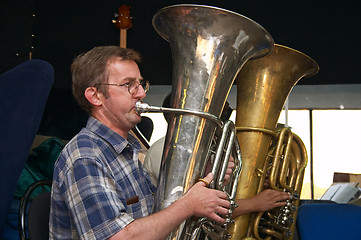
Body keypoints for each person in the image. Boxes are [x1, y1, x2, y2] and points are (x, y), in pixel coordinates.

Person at [49, 46, 232, 240]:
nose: (141, 94)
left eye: (141, 84)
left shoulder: (126, 149)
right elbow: (117, 237)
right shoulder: (85, 155)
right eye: (128, 85)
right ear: (95, 96)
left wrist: (203, 179)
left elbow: (157, 216)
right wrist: (188, 205)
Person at [143, 94, 291, 218]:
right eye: (218, 110)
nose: (225, 116)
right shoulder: (164, 149)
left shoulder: (212, 149)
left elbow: (220, 192)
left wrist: (254, 184)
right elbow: (194, 208)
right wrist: (255, 203)